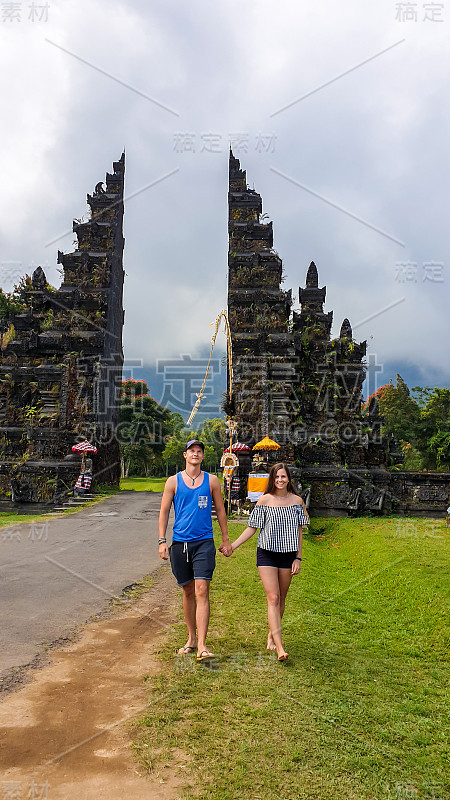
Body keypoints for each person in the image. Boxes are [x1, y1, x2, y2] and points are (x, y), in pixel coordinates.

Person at [222, 462, 309, 662]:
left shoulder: (297, 501)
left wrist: (298, 557)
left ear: (288, 479)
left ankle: (272, 634)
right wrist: (233, 546)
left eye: (283, 477)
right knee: (273, 598)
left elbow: (299, 532)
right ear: (272, 479)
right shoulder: (264, 500)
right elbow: (252, 528)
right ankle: (280, 647)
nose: (280, 480)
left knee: (281, 600)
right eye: (277, 477)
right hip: (266, 554)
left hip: (288, 555)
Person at [158, 439, 232, 661]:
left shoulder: (212, 481)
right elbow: (163, 512)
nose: (196, 454)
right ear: (185, 455)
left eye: (199, 452)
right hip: (180, 543)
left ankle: (202, 644)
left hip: (204, 543)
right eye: (192, 451)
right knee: (188, 591)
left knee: (202, 590)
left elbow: (220, 509)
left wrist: (226, 539)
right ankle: (191, 638)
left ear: (202, 456)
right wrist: (162, 540)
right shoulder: (173, 481)